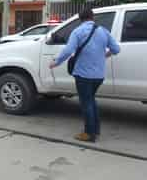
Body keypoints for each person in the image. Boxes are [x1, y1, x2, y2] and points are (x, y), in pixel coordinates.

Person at [49, 8, 120, 143]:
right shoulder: (103, 31)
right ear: (92, 17)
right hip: (99, 75)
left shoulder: (78, 31)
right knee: (91, 101)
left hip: (83, 75)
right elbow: (116, 49)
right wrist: (105, 55)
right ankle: (96, 130)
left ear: (80, 19)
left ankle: (89, 134)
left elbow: (68, 50)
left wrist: (56, 62)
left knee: (86, 103)